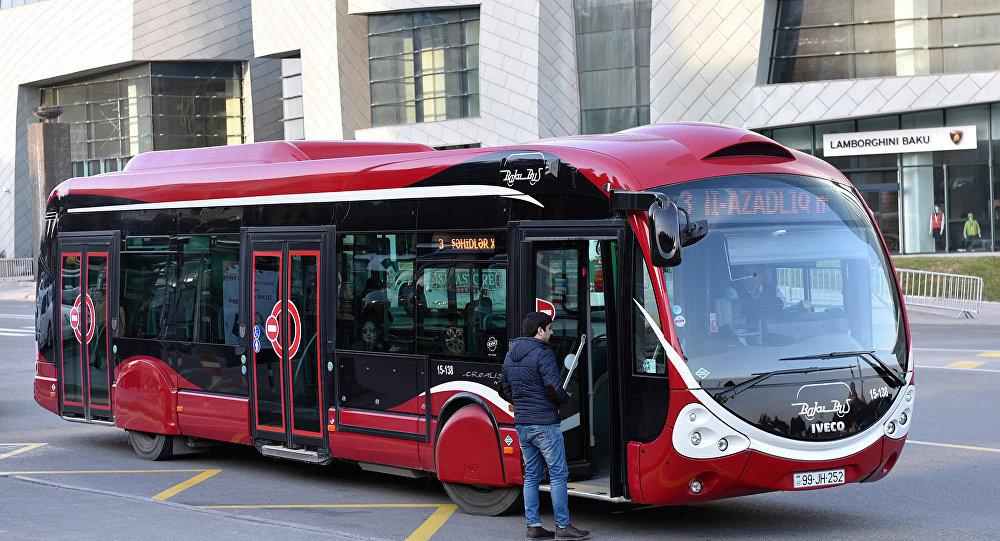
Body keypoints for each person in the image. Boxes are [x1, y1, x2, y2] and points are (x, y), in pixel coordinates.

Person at [499, 312, 589, 541]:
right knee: (559, 473)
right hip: (545, 424)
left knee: (531, 475)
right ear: (539, 330)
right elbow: (553, 388)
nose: (551, 332)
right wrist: (564, 399)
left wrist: (522, 402)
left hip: (523, 423)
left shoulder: (511, 354)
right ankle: (563, 526)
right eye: (549, 328)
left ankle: (534, 526)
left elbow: (504, 388)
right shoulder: (543, 354)